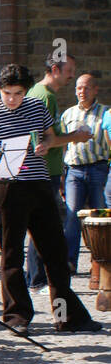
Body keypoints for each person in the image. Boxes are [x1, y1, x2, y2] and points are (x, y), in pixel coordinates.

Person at [0, 62, 98, 334]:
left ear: (26, 91)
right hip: (6, 187)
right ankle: (17, 316)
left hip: (39, 184)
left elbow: (51, 138)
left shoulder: (37, 107)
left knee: (55, 252)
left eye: (18, 93)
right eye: (7, 93)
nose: (12, 99)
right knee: (11, 254)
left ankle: (67, 317)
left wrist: (45, 145)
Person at [25, 51, 92, 286]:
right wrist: (77, 136)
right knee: (42, 227)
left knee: (41, 226)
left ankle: (37, 277)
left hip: (46, 170)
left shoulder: (38, 92)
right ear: (54, 70)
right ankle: (37, 279)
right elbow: (45, 141)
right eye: (69, 71)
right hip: (44, 171)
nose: (71, 77)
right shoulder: (46, 96)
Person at [59, 74, 111, 272]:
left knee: (101, 216)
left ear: (96, 89)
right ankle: (69, 261)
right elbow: (62, 144)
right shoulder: (68, 114)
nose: (82, 91)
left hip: (99, 168)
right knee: (72, 216)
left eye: (87, 88)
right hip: (75, 171)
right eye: (79, 88)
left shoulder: (106, 113)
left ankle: (100, 262)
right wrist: (63, 174)